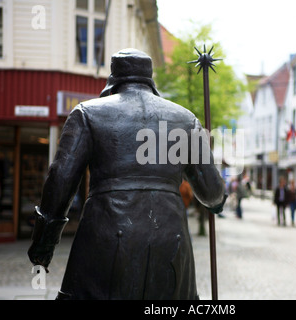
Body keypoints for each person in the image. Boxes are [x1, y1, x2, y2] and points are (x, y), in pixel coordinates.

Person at [27, 49, 227, 300]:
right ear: (150, 79)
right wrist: (218, 202)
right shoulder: (185, 120)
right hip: (171, 243)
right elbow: (213, 192)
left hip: (107, 239)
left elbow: (60, 181)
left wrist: (43, 246)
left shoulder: (87, 114)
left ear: (114, 77)